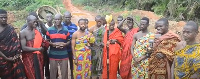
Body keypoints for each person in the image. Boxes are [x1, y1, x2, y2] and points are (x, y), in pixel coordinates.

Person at [0, 9, 26, 79]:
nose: (4, 19)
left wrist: (17, 55)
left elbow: (16, 42)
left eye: (5, 17)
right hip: (3, 60)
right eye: (1, 17)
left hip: (15, 59)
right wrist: (6, 58)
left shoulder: (10, 28)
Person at [46, 14, 70, 79]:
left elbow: (69, 41)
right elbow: (47, 41)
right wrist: (53, 44)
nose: (57, 21)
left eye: (59, 19)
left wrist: (65, 44)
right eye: (56, 19)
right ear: (54, 20)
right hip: (53, 55)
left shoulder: (65, 30)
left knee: (64, 73)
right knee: (53, 74)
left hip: (64, 55)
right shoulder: (49, 30)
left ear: (61, 20)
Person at [62, 11, 78, 79]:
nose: (67, 19)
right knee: (64, 66)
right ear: (63, 17)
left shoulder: (74, 26)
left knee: (73, 65)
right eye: (66, 17)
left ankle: (72, 76)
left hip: (72, 50)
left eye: (68, 17)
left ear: (71, 17)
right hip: (63, 50)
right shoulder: (61, 26)